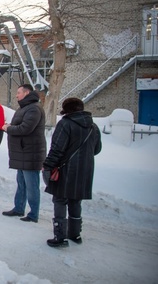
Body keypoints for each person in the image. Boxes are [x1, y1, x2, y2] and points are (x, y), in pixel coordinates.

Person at [42, 97, 102, 247]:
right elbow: (97, 149)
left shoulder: (65, 124)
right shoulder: (93, 126)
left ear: (66, 110)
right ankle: (75, 234)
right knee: (76, 200)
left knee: (60, 200)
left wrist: (48, 166)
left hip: (65, 170)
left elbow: (57, 149)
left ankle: (60, 237)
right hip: (85, 170)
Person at [1, 84, 46, 223]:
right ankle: (19, 208)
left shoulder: (34, 109)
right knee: (21, 183)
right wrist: (10, 126)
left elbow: (25, 129)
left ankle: (33, 214)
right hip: (23, 153)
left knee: (32, 186)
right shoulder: (25, 108)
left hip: (30, 153)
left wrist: (8, 128)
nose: (16, 95)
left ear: (26, 93)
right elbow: (20, 126)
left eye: (19, 92)